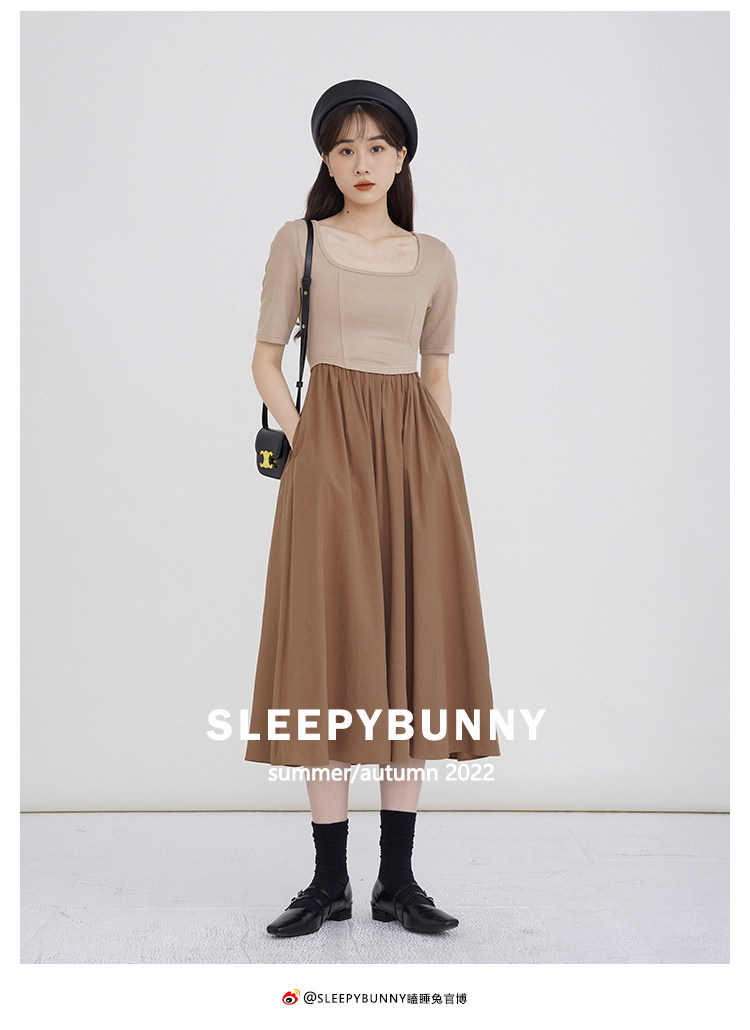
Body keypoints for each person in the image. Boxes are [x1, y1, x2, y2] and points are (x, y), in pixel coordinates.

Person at [244, 80, 500, 938]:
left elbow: (437, 371)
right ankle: (328, 883)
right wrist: (309, 436)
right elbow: (265, 358)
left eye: (378, 147)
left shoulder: (434, 257)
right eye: (345, 147)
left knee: (412, 654)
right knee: (329, 650)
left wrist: (433, 465)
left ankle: (398, 881)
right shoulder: (300, 241)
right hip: (329, 457)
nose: (362, 161)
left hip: (418, 462)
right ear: (327, 159)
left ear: (401, 158)